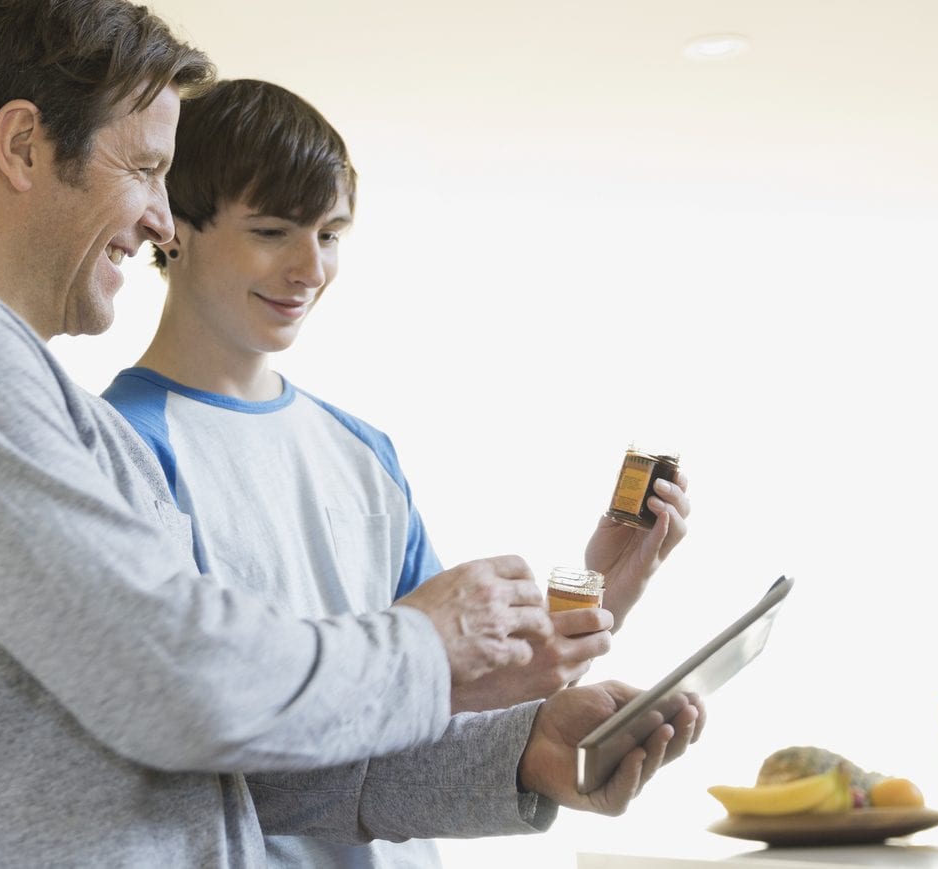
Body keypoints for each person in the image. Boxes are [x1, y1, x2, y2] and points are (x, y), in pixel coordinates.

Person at [0, 2, 701, 865]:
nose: (160, 219)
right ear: (22, 145)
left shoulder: (50, 406)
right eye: (144, 169)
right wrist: (425, 643)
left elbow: (224, 765)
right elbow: (182, 681)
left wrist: (522, 752)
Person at [101, 79, 695, 868]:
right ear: (171, 228)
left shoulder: (361, 449)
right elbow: (186, 738)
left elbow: (445, 695)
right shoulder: (122, 448)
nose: (309, 268)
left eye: (331, 234)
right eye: (274, 230)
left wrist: (595, 593)